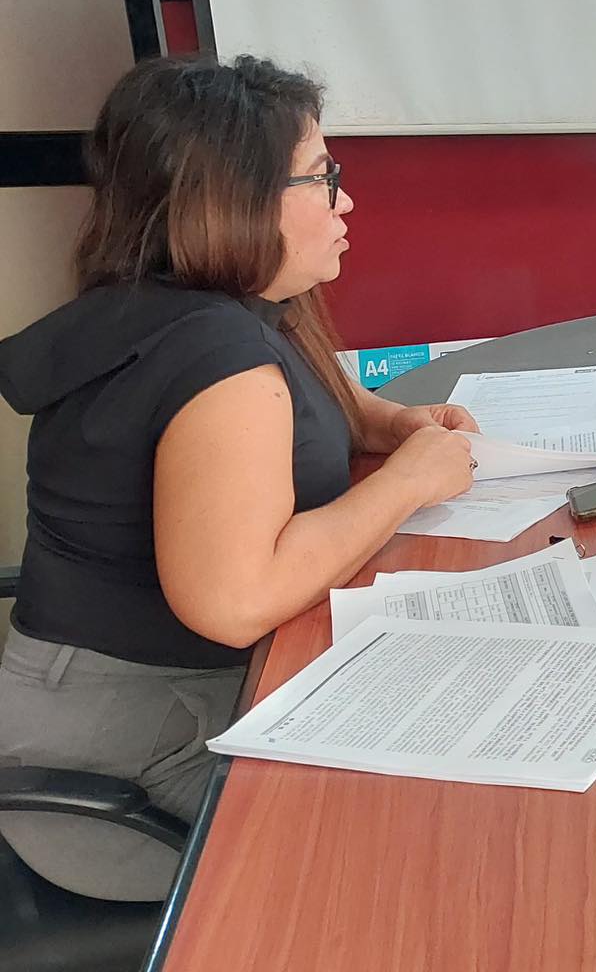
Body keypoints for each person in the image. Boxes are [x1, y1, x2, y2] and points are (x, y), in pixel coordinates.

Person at [0, 56, 479, 900]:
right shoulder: (214, 355)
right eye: (322, 177)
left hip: (154, 703)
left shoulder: (191, 305)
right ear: (238, 198)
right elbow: (235, 601)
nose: (345, 201)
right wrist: (407, 481)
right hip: (126, 765)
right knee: (428, 842)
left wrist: (391, 426)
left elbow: (316, 410)